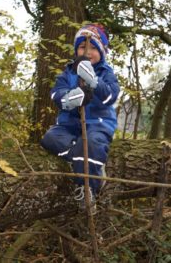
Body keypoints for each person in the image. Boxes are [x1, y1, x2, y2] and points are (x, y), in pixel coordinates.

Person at [41, 24, 120, 209]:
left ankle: (89, 188)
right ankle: (81, 158)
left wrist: (94, 82)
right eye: (83, 47)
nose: (88, 51)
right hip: (69, 125)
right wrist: (69, 99)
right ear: (77, 50)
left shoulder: (106, 73)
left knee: (92, 143)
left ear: (102, 51)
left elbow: (110, 96)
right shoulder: (68, 72)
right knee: (50, 138)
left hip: (98, 124)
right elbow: (56, 94)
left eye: (94, 48)